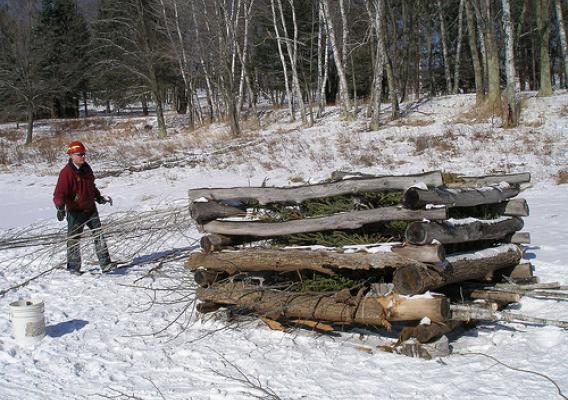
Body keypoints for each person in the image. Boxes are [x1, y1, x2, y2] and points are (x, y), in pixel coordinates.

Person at [53, 140, 115, 274]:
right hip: (76, 212)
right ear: (71, 156)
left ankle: (106, 264)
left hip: (90, 209)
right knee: (74, 240)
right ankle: (74, 268)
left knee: (99, 236)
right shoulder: (66, 173)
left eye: (84, 154)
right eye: (80, 154)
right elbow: (59, 193)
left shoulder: (87, 168)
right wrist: (60, 208)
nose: (83, 157)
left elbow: (91, 186)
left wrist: (98, 197)